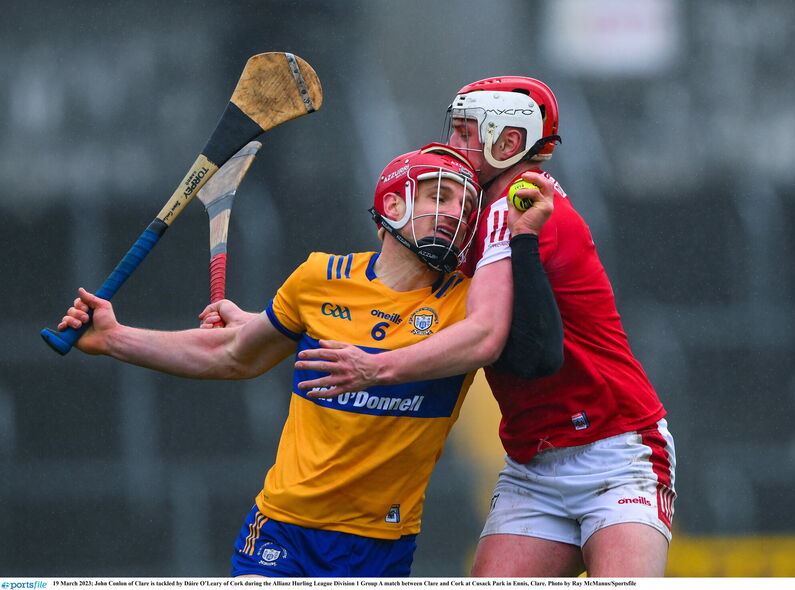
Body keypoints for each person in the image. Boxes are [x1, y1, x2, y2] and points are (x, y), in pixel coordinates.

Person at [56, 142, 558, 577]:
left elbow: (495, 339)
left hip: (380, 542)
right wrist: (116, 338)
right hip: (285, 528)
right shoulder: (320, 277)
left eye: (466, 207)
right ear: (392, 203)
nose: (455, 214)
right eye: (439, 196)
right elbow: (235, 354)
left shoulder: (468, 303)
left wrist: (523, 233)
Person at [295, 78, 677, 577]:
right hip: (531, 462)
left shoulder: (524, 208)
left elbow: (513, 348)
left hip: (617, 448)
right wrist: (267, 319)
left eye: (465, 132)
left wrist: (376, 368)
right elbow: (392, 286)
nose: (452, 145)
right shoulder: (472, 218)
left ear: (510, 142)